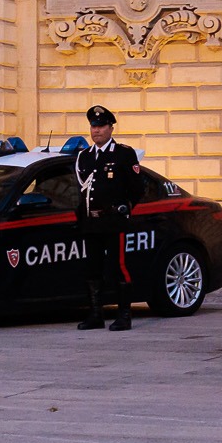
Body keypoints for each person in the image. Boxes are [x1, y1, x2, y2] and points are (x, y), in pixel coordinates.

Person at [70, 104, 143, 331]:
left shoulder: (123, 154)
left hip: (113, 221)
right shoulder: (84, 157)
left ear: (111, 128)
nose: (96, 130)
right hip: (91, 221)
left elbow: (137, 189)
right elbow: (81, 191)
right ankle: (96, 315)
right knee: (92, 268)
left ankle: (124, 315)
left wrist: (124, 209)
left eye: (101, 126)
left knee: (118, 267)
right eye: (93, 126)